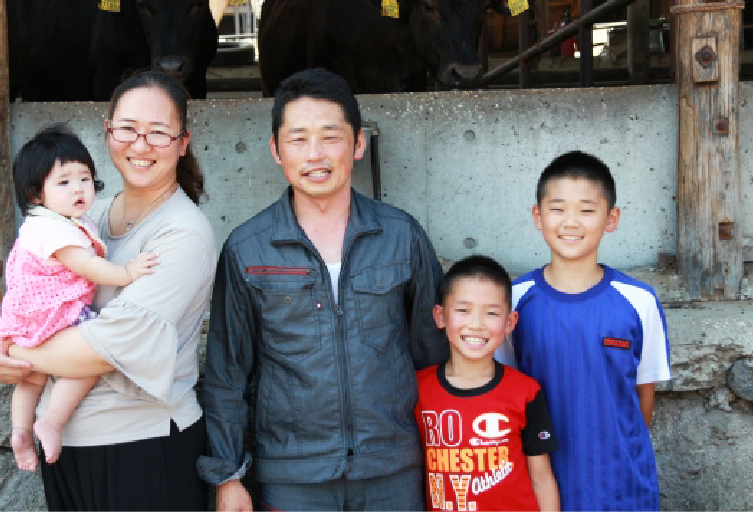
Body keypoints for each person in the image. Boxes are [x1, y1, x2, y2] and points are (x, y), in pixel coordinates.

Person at [198, 67, 449, 511]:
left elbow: (433, 354)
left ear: (358, 144)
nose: (315, 154)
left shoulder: (401, 237)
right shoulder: (247, 248)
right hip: (293, 476)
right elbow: (227, 373)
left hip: (393, 471)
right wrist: (228, 474)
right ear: (276, 150)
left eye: (330, 136)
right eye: (298, 138)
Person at [0, 71, 216, 511]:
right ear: (108, 132)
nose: (140, 143)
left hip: (141, 447)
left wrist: (11, 349)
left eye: (159, 132)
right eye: (127, 128)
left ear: (182, 142)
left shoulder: (182, 233)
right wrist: (0, 348)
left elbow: (105, 346)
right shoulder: (83, 220)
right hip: (69, 446)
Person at [496, 150, 671, 511]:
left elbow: (643, 396)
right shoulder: (513, 301)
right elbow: (504, 393)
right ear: (537, 216)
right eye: (558, 208)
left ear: (611, 218)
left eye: (587, 210)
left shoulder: (639, 300)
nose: (571, 222)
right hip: (540, 487)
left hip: (620, 488)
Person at [1, 124, 159, 472]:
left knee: (31, 377)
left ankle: (20, 431)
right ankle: (52, 421)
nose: (78, 189)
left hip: (26, 316)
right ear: (35, 194)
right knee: (86, 365)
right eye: (63, 182)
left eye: (84, 178)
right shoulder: (56, 229)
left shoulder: (48, 222)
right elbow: (88, 266)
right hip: (54, 312)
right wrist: (128, 273)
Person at [416, 255, 559, 512]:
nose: (476, 324)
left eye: (491, 313)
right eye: (463, 310)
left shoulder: (525, 392)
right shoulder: (417, 390)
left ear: (509, 322)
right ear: (440, 316)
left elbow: (541, 478)